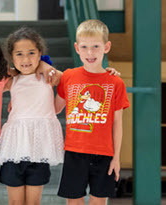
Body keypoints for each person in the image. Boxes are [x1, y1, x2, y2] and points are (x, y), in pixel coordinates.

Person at [55, 19, 130, 205]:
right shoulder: (68, 77)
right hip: (74, 151)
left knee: (98, 201)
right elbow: (55, 109)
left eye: (96, 46)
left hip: (104, 154)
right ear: (77, 48)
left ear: (106, 47)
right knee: (74, 201)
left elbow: (117, 123)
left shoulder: (116, 83)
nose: (90, 52)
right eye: (85, 47)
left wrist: (116, 158)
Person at [0, 27, 65, 205]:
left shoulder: (48, 76)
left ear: (39, 53)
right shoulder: (12, 80)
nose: (25, 59)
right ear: (12, 57)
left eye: (31, 53)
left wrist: (45, 65)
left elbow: (72, 81)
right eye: (19, 54)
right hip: (15, 146)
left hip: (39, 147)